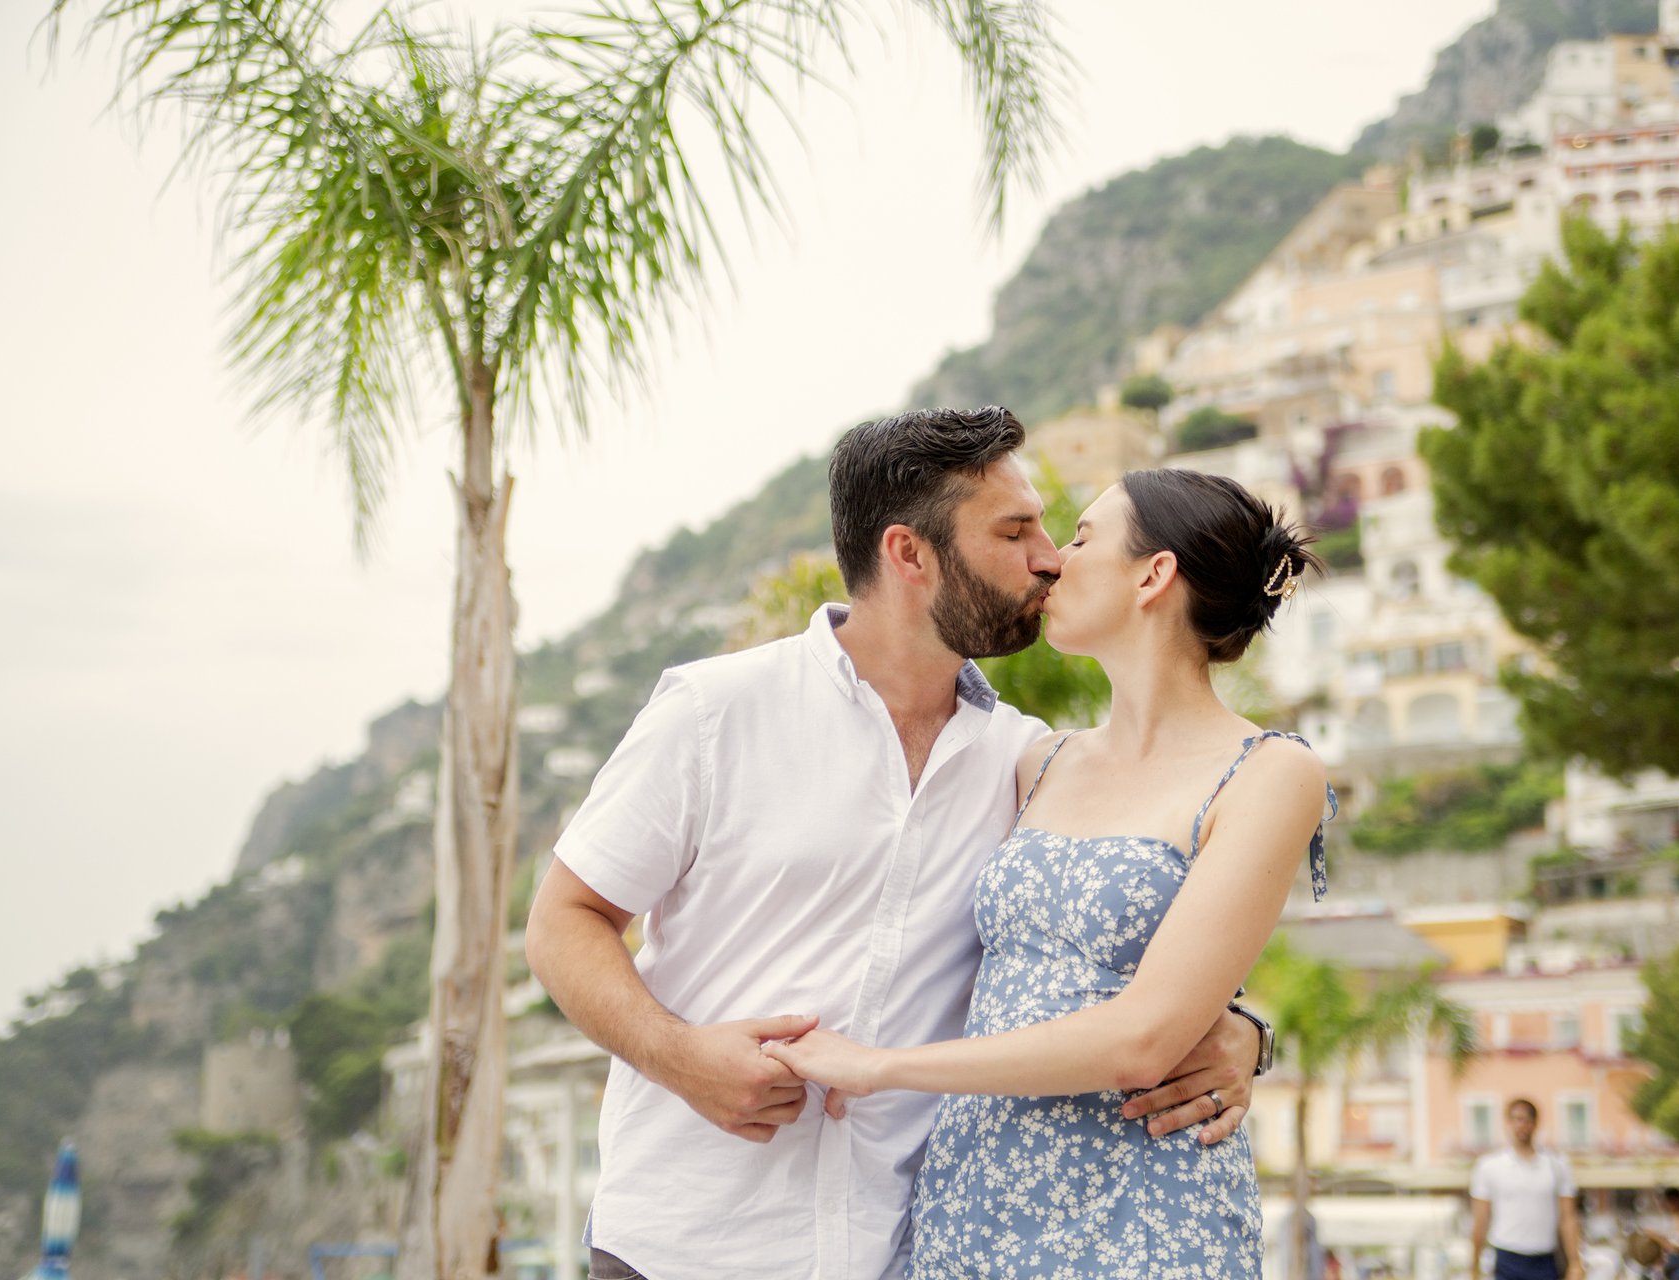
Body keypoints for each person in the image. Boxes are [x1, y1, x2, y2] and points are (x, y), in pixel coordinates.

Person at [524, 408, 1268, 1280]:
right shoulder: (714, 711)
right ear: (909, 554)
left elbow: (1118, 935)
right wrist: (679, 1057)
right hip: (689, 1243)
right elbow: (564, 920)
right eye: (1014, 532)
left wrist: (1242, 1029)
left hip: (906, 1248)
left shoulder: (1024, 761)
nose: (1049, 558)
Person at [763, 468, 1337, 1277]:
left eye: (1081, 538)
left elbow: (1144, 1038)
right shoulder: (1038, 761)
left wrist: (878, 1066)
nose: (1053, 561)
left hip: (1143, 1205)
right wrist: (1247, 1030)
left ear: (1154, 574)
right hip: (974, 1196)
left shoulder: (1268, 771)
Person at [1468, 1098, 1582, 1280]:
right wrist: (1474, 1265)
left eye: (1526, 1119)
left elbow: (1568, 1218)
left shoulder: (1557, 1165)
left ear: (1535, 1123)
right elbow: (1481, 1219)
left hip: (1544, 1260)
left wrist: (1575, 1263)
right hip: (1507, 1258)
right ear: (1508, 1123)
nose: (1521, 1126)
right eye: (1516, 1119)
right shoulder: (1489, 1166)